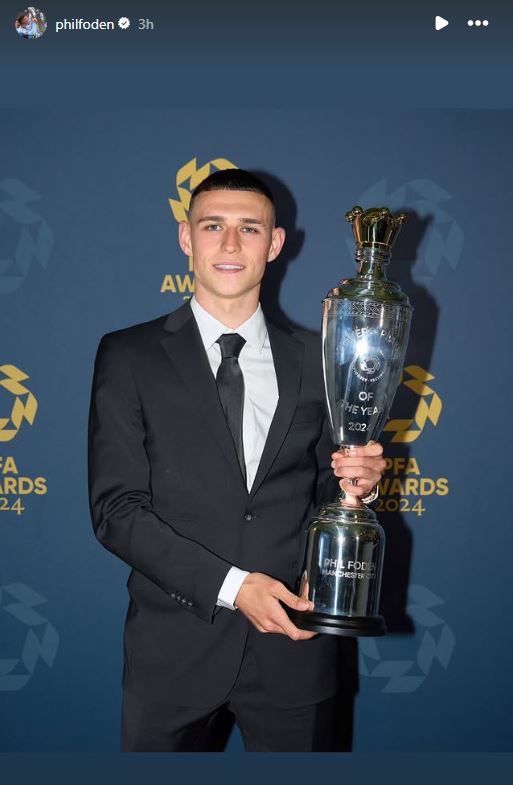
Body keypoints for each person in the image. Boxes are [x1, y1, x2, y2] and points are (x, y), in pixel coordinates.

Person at [87, 169, 386, 752]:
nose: (230, 244)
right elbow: (116, 510)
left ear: (274, 244)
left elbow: (329, 486)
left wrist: (359, 489)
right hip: (173, 653)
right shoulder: (128, 355)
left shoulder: (318, 356)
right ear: (185, 238)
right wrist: (233, 587)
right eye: (213, 226)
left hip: (296, 648)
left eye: (249, 229)